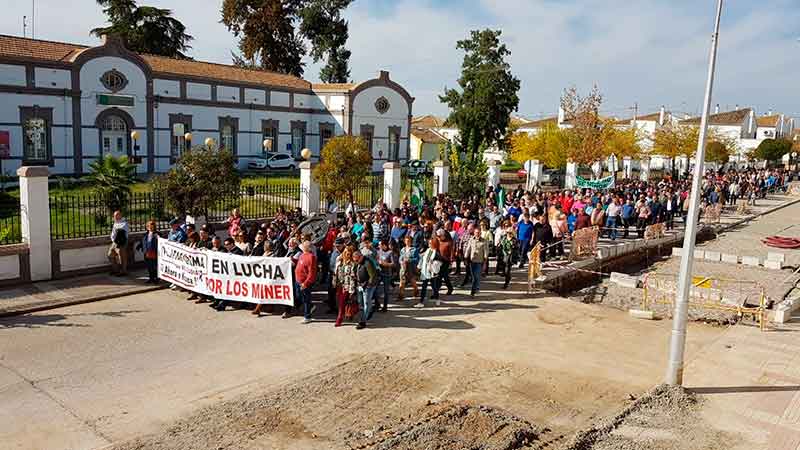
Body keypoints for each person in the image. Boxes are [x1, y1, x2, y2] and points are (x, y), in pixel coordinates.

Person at [333, 245, 357, 327]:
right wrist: (334, 284)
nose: (347, 254)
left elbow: (353, 277)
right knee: (340, 302)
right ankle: (349, 313)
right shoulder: (339, 261)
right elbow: (335, 273)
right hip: (339, 285)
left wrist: (352, 290)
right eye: (346, 252)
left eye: (349, 253)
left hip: (348, 285)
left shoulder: (352, 264)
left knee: (342, 302)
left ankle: (339, 318)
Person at [354, 250, 378, 329]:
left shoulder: (367, 263)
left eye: (357, 260)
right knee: (361, 303)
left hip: (367, 286)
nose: (356, 262)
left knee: (366, 303)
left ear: (361, 257)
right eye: (355, 261)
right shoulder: (359, 263)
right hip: (360, 285)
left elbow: (372, 276)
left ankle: (362, 322)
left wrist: (367, 286)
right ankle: (368, 313)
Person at [295, 240, 318, 324]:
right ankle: (311, 307)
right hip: (298, 280)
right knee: (299, 296)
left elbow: (312, 273)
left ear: (308, 247)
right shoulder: (302, 254)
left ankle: (307, 316)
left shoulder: (311, 257)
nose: (302, 246)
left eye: (304, 245)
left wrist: (306, 283)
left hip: (304, 282)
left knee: (306, 299)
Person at [415, 238, 441, 308]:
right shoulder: (427, 250)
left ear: (434, 244)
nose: (429, 244)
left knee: (434, 287)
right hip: (425, 271)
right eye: (429, 243)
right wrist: (419, 267)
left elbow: (439, 263)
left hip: (432, 272)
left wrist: (433, 263)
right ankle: (421, 302)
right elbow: (422, 259)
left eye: (430, 243)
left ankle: (437, 299)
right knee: (424, 287)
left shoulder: (437, 253)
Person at [463, 227, 489, 297]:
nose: (477, 234)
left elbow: (486, 253)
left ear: (480, 233)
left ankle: (472, 292)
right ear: (474, 233)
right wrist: (465, 258)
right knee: (474, 276)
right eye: (476, 232)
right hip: (472, 261)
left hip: (479, 262)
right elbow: (468, 249)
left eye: (479, 233)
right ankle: (476, 286)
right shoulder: (471, 240)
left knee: (475, 277)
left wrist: (485, 263)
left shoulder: (484, 241)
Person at [376, 240, 396, 313]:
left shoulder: (390, 253)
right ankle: (377, 305)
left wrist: (385, 264)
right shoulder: (378, 251)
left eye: (380, 245)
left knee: (386, 291)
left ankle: (385, 307)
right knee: (375, 289)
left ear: (384, 245)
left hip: (387, 274)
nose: (379, 246)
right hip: (379, 273)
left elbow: (393, 264)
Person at [398, 235, 419, 301]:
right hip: (403, 267)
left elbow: (417, 259)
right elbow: (400, 258)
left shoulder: (414, 249)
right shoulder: (402, 249)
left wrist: (409, 260)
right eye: (406, 241)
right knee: (402, 282)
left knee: (412, 281)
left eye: (409, 241)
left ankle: (416, 290)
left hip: (410, 268)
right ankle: (401, 295)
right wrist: (401, 261)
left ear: (411, 242)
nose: (407, 242)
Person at [108, 210, 129, 276]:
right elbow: (114, 233)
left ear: (120, 215)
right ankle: (116, 270)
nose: (115, 217)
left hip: (121, 242)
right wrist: (112, 239)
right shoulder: (115, 222)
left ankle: (123, 271)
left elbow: (122, 232)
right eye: (114, 215)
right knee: (110, 255)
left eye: (117, 215)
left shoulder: (124, 223)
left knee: (122, 257)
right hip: (114, 242)